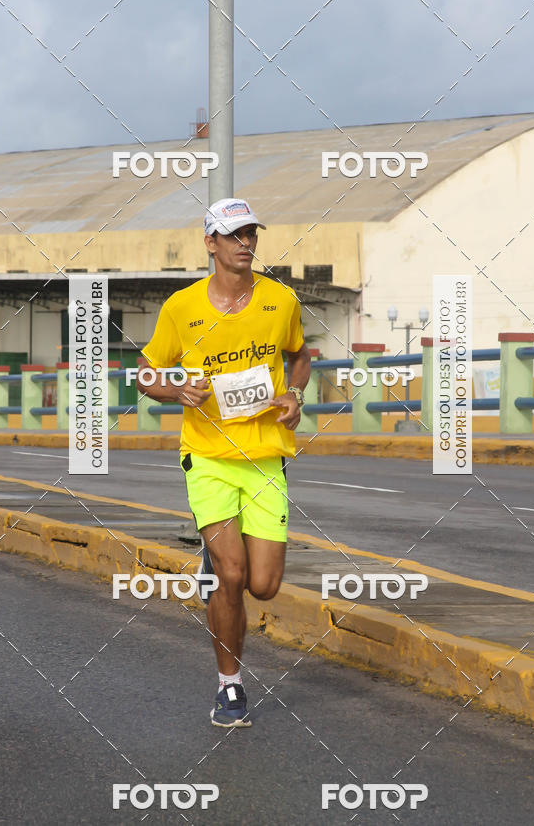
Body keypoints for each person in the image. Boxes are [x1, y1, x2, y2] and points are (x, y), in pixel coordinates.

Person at [137, 198, 311, 727]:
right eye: (233, 235)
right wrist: (174, 389)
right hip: (208, 457)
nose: (246, 244)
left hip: (264, 458)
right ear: (210, 243)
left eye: (251, 234)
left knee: (264, 585)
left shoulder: (280, 300)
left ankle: (215, 565)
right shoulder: (181, 308)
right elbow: (145, 372)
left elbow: (300, 355)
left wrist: (295, 395)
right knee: (232, 577)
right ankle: (229, 688)